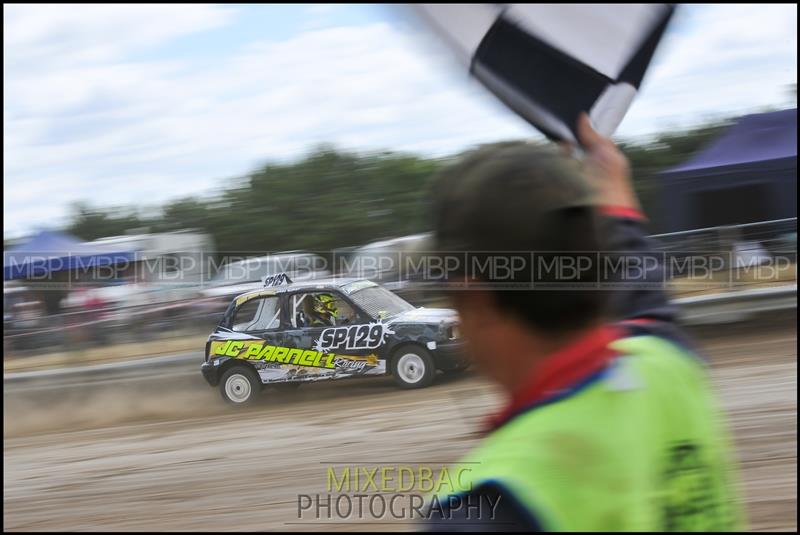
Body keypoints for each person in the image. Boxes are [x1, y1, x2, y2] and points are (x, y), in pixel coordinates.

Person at [425, 115, 744, 531]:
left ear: (474, 299)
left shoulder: (489, 503)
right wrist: (610, 181)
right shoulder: (670, 362)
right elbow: (644, 294)